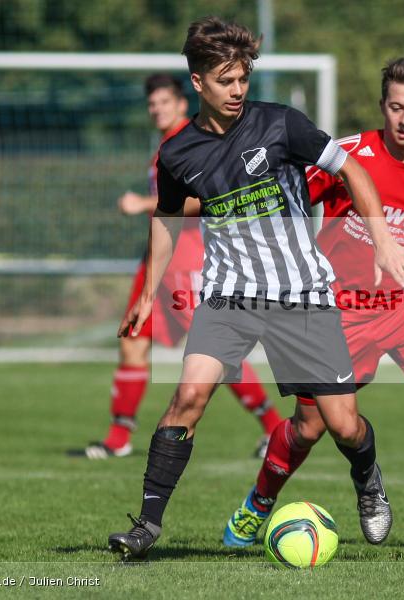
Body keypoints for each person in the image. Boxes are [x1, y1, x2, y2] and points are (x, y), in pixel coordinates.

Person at [107, 16, 404, 560]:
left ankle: (368, 480)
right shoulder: (178, 154)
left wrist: (384, 241)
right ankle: (147, 525)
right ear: (197, 82)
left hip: (302, 294)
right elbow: (167, 219)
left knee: (342, 425)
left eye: (243, 78)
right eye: (225, 80)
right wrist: (145, 294)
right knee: (188, 395)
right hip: (229, 295)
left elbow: (353, 171)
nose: (237, 90)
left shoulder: (280, 125)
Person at [222, 57, 404, 550]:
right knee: (311, 427)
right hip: (337, 310)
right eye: (396, 107)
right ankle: (259, 503)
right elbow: (288, 203)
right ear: (383, 106)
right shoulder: (347, 156)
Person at [78, 73, 281, 461]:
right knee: (133, 343)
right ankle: (118, 438)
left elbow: (207, 200)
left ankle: (273, 427)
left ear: (182, 104)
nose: (157, 110)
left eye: (164, 103)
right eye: (152, 104)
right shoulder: (163, 146)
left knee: (219, 353)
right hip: (156, 259)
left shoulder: (192, 143)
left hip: (190, 256)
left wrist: (144, 204)